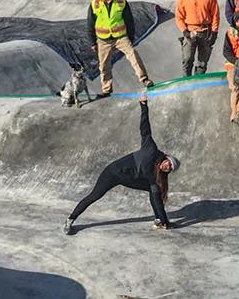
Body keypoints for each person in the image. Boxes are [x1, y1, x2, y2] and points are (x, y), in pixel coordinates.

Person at [64, 95, 180, 234]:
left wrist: (166, 222)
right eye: (169, 163)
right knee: (94, 196)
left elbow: (158, 196)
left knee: (154, 189)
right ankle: (70, 219)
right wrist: (144, 106)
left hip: (126, 178)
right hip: (112, 173)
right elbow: (145, 128)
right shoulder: (151, 150)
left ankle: (160, 220)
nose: (167, 167)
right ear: (166, 158)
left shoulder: (157, 176)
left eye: (170, 169)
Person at [86, 0, 153, 96]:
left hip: (120, 37)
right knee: (104, 65)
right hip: (103, 40)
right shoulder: (95, 4)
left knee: (133, 54)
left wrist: (131, 37)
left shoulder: (121, 2)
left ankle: (144, 79)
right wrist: (92, 42)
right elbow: (90, 23)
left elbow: (129, 21)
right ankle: (106, 89)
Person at [174, 0, 220, 76]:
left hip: (206, 31)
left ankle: (198, 80)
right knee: (187, 59)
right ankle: (186, 81)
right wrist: (184, 31)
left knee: (202, 62)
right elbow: (179, 17)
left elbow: (215, 15)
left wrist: (214, 32)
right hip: (190, 32)